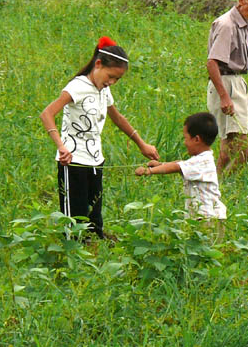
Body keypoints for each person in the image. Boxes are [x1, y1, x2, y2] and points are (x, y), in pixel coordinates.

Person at [40, 36, 159, 239]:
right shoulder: (77, 87)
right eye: (110, 76)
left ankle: (94, 251)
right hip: (74, 163)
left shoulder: (104, 90)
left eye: (117, 80)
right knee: (74, 221)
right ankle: (73, 257)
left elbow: (118, 118)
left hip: (96, 161)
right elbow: (47, 114)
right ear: (98, 64)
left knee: (94, 217)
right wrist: (61, 147)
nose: (111, 82)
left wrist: (141, 144)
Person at [135, 112, 226, 242]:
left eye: (185, 138)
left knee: (204, 251)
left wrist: (149, 171)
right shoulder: (202, 159)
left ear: (197, 139)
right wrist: (161, 164)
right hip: (206, 217)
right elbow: (180, 164)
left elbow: (176, 167)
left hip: (207, 219)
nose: (184, 143)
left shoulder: (201, 162)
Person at [206, 0, 248, 174]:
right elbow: (212, 63)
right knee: (243, 153)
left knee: (226, 150)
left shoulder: (241, 26)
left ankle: (215, 185)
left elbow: (235, 69)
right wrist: (225, 97)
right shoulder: (227, 26)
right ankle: (220, 185)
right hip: (226, 85)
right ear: (241, 1)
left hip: (235, 84)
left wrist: (245, 99)